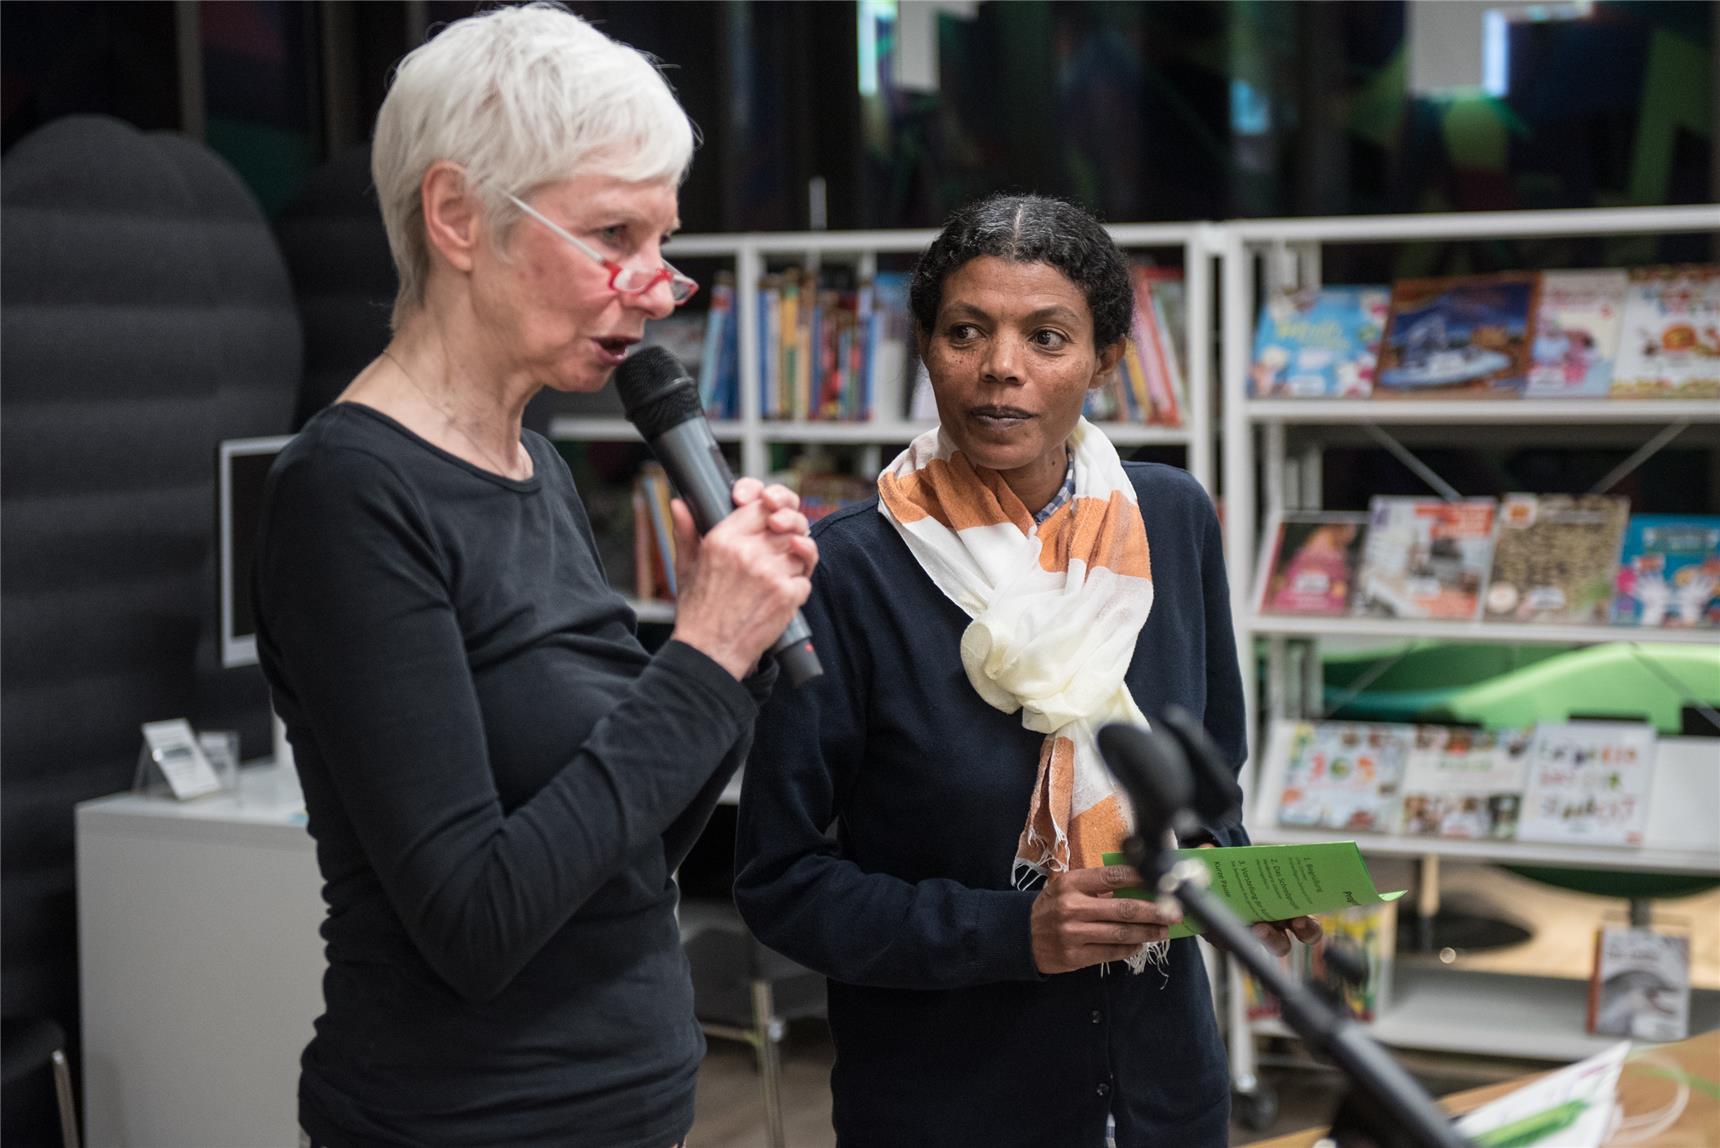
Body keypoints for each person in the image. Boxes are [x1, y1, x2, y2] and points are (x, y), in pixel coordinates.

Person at [253, 7, 815, 1146]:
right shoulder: (350, 492)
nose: (655, 290)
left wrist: (739, 650)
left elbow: (626, 856)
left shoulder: (537, 468)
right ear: (457, 215)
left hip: (633, 1102)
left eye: (663, 246)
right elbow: (478, 917)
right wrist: (701, 654)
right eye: (615, 234)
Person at [733, 193, 1318, 1147]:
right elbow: (781, 881)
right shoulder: (845, 571)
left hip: (1164, 1092)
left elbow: (1209, 772)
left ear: (1105, 360)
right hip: (949, 1106)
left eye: (1048, 337)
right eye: (967, 332)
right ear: (925, 347)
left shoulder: (1168, 520)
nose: (1000, 367)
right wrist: (1015, 933)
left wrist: (1230, 883)